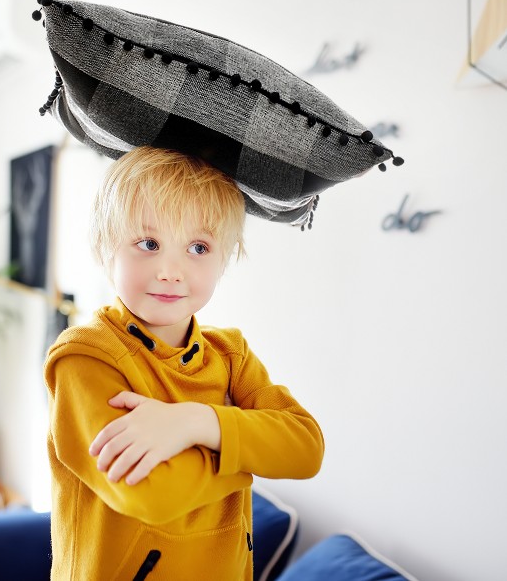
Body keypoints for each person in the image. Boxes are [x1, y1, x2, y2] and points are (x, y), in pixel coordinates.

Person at [44, 146, 325, 580]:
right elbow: (152, 494)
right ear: (105, 248)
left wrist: (198, 423)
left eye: (198, 246)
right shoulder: (86, 356)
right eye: (149, 243)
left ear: (224, 257)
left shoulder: (230, 355)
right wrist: (247, 453)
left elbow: (306, 448)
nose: (171, 270)